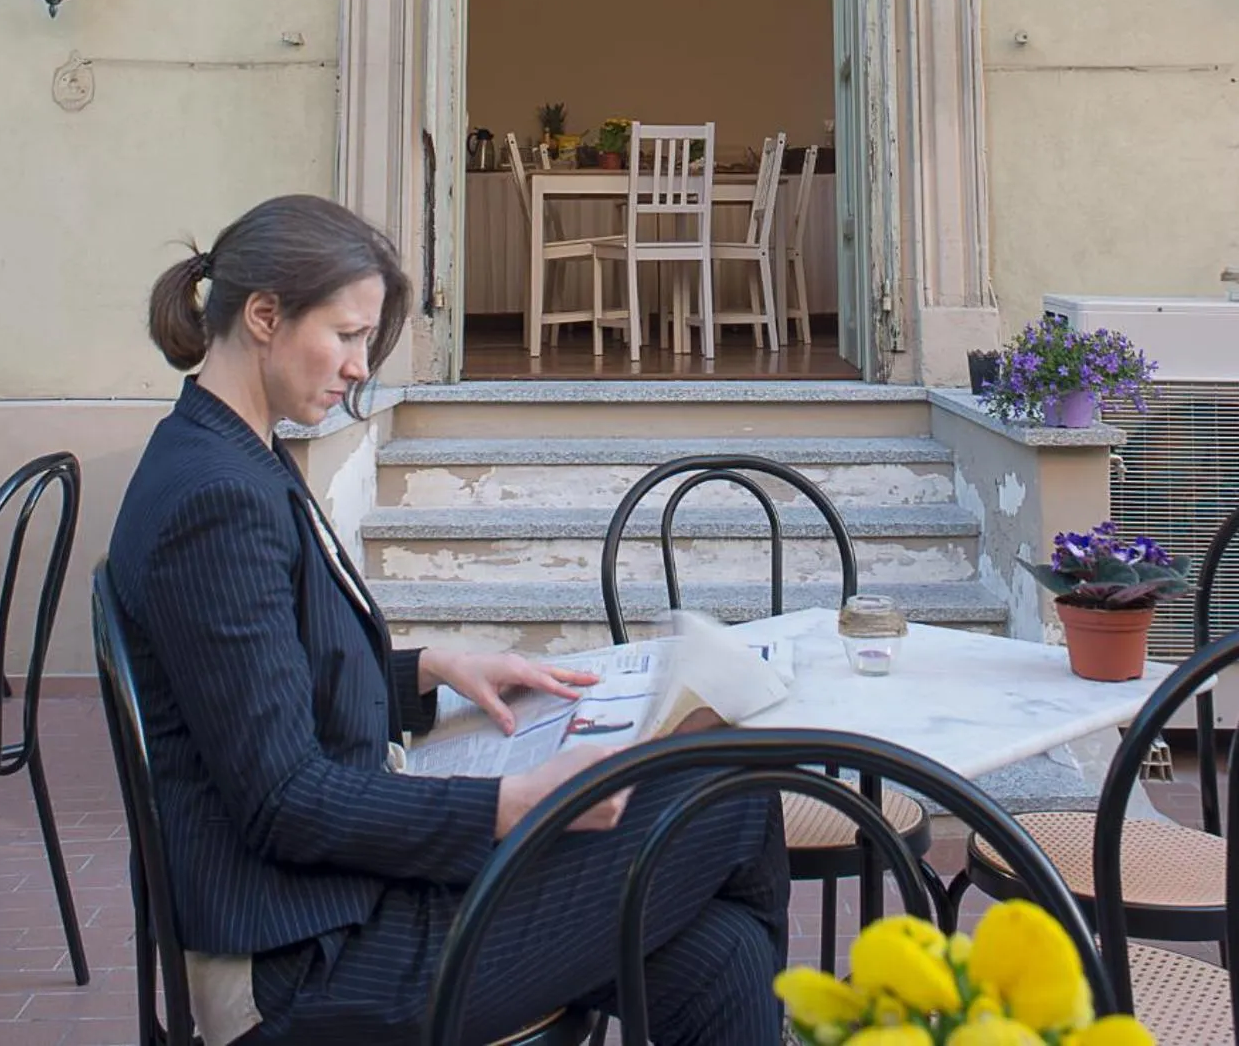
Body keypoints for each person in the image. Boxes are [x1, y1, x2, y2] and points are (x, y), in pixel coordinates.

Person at [109, 193, 788, 1046]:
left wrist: (429, 669)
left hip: (333, 903)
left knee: (717, 953)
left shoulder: (227, 451)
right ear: (264, 316)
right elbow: (281, 800)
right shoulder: (216, 496)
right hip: (303, 961)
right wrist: (509, 802)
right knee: (726, 793)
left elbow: (246, 684)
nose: (360, 366)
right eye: (349, 335)